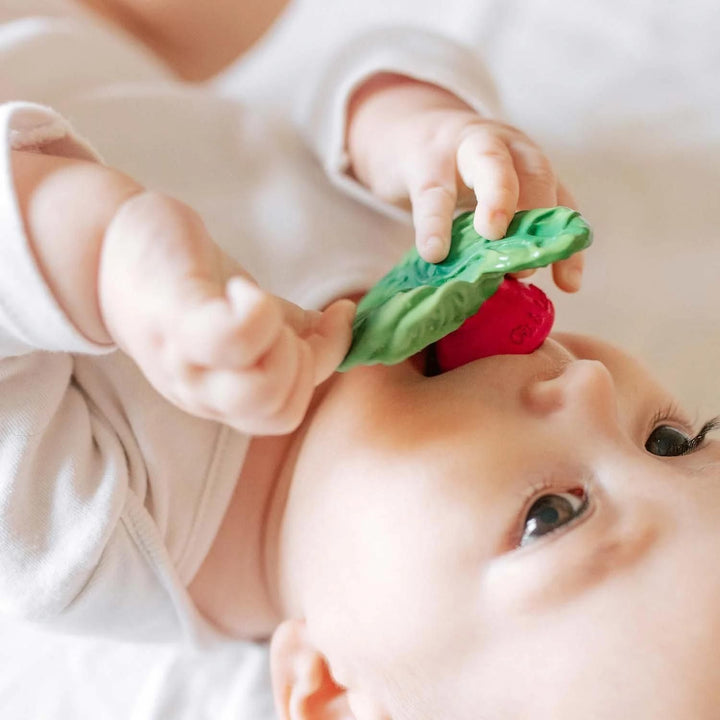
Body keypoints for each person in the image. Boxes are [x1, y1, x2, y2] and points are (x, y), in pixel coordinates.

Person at [4, 3, 720, 720]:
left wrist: (106, 261)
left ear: (334, 696)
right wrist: (414, 124)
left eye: (551, 515)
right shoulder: (436, 274)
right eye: (670, 441)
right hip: (101, 38)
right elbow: (328, 85)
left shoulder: (98, 533)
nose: (592, 383)